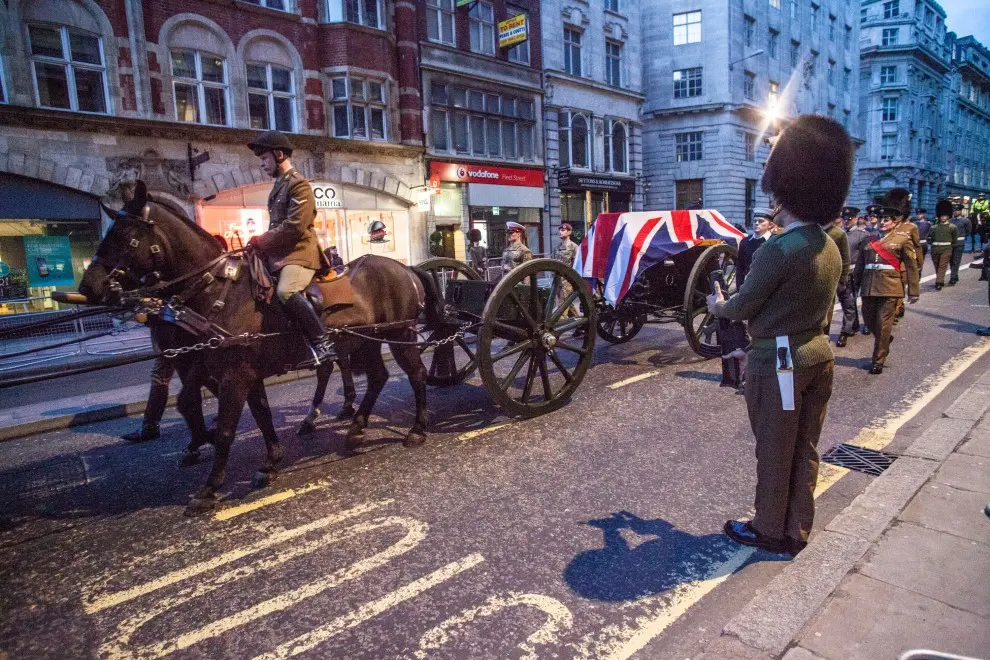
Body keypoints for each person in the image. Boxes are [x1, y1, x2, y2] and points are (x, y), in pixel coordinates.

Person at [707, 115, 851, 557]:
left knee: (774, 448)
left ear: (781, 191)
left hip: (782, 361)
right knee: (804, 447)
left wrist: (717, 305)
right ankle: (796, 527)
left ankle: (768, 528)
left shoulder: (779, 248)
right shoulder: (829, 244)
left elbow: (742, 305)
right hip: (817, 354)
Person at [246, 130, 333, 362]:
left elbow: (294, 226)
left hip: (300, 254)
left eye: (264, 159)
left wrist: (261, 240)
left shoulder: (299, 185)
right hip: (281, 256)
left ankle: (323, 344)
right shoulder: (279, 186)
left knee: (286, 291)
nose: (262, 164)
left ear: (279, 154)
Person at [854, 194, 921, 375]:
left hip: (890, 287)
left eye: (887, 219)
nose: (882, 222)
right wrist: (855, 286)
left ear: (894, 222)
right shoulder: (868, 240)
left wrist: (913, 291)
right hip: (869, 286)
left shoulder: (902, 240)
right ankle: (885, 339)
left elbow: (911, 267)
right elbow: (861, 264)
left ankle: (878, 360)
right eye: (880, 219)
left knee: (883, 323)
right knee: (868, 320)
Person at [830, 207, 860, 346]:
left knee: (848, 303)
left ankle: (845, 331)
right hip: (833, 273)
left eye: (850, 219)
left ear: (856, 219)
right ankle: (853, 325)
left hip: (851, 273)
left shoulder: (861, 235)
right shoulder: (836, 233)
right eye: (844, 219)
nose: (846, 221)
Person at [737, 208, 778, 287]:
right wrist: (739, 289)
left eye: (761, 221)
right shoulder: (745, 242)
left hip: (768, 286)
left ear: (770, 225)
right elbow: (740, 268)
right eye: (754, 221)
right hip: (747, 286)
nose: (756, 223)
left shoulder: (775, 241)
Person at [929, 199, 958, 290]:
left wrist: (949, 246)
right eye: (941, 215)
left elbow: (954, 239)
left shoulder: (952, 227)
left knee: (942, 266)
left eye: (944, 215)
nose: (942, 217)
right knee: (937, 266)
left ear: (948, 216)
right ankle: (940, 278)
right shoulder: (934, 227)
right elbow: (930, 238)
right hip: (935, 249)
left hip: (946, 249)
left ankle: (938, 282)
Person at [949, 203, 970, 285]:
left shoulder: (966, 221)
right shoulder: (950, 220)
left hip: (959, 243)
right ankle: (955, 275)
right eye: (954, 210)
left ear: (961, 211)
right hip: (951, 243)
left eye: (957, 210)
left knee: (956, 260)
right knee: (951, 261)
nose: (955, 212)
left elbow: (968, 231)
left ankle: (953, 278)